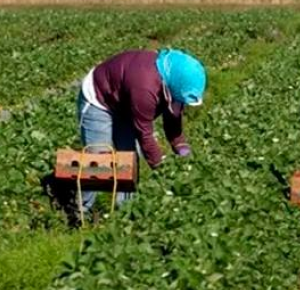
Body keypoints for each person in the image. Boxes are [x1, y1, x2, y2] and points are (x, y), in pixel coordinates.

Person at [77, 48, 205, 211]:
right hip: (99, 98)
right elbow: (144, 135)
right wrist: (162, 169)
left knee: (129, 158)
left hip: (126, 102)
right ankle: (82, 211)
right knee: (98, 158)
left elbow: (173, 122)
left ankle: (124, 210)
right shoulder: (145, 87)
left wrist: (182, 149)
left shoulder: (173, 84)